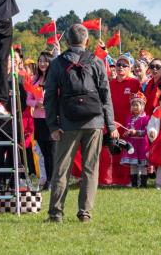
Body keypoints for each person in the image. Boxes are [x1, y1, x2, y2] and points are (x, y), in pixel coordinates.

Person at [44, 24, 117, 223]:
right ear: (87, 41)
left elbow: (49, 97)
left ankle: (56, 213)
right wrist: (111, 125)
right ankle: (85, 212)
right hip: (94, 122)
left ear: (67, 41)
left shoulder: (57, 63)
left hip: (68, 123)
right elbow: (106, 96)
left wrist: (52, 125)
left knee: (61, 169)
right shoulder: (96, 62)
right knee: (90, 169)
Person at [103, 54, 139, 186]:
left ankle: (127, 179)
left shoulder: (134, 83)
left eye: (125, 65)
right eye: (118, 64)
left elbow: (139, 104)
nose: (121, 67)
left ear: (130, 68)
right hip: (114, 123)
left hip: (128, 123)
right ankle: (114, 179)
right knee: (115, 150)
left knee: (127, 151)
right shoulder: (110, 84)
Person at [26, 51, 55, 189]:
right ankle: (47, 180)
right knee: (43, 152)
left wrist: (49, 104)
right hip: (38, 119)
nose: (42, 63)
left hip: (51, 119)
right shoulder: (35, 80)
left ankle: (52, 181)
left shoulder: (55, 79)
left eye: (45, 61)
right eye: (40, 61)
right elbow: (28, 99)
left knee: (52, 152)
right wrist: (36, 104)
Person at [121, 93, 151, 188]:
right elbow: (127, 128)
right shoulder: (129, 118)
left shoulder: (146, 118)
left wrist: (136, 132)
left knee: (142, 165)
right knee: (133, 165)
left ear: (142, 106)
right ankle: (134, 184)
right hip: (132, 144)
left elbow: (147, 131)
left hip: (142, 144)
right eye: (133, 105)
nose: (134, 107)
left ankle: (143, 184)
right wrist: (126, 133)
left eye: (137, 105)